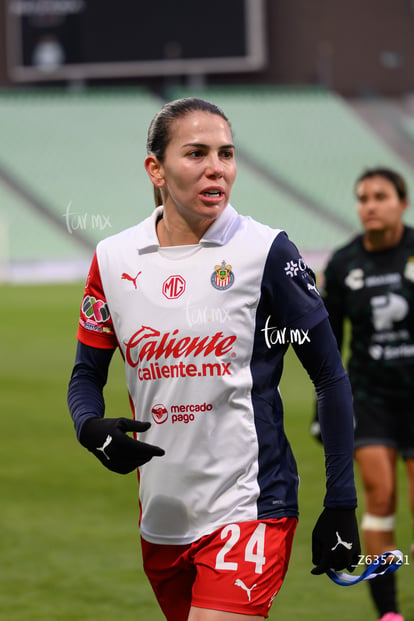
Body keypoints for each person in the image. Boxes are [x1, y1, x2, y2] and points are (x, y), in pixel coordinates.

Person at [67, 96, 360, 621]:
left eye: (226, 154)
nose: (216, 169)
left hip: (251, 505)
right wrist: (90, 427)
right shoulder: (112, 259)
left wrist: (340, 501)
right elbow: (87, 373)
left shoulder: (267, 252)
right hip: (162, 515)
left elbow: (330, 379)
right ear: (155, 168)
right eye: (196, 153)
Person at [311, 167, 414, 621]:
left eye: (380, 196)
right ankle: (388, 612)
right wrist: (324, 410)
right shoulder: (343, 263)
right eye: (362, 197)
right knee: (380, 495)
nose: (369, 204)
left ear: (402, 203)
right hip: (370, 398)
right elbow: (329, 343)